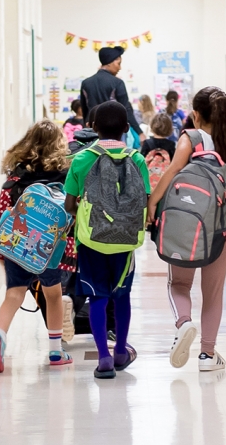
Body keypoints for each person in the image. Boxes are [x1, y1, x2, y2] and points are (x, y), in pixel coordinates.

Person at [147, 87, 226, 372]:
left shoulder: (191, 138)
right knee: (213, 292)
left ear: (195, 114)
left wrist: (152, 204)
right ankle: (207, 354)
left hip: (185, 227)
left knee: (179, 284)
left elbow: (171, 175)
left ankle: (184, 323)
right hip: (221, 229)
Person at [64, 101, 152, 379]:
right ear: (127, 128)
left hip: (91, 241)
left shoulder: (81, 159)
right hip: (125, 242)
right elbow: (145, 199)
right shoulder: (136, 159)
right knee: (122, 295)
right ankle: (121, 350)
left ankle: (103, 356)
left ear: (91, 127)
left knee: (98, 296)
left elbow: (69, 205)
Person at [0, 120, 74, 373]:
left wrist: (1, 250)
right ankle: (56, 351)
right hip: (48, 250)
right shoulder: (65, 177)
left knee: (14, 294)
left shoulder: (16, 178)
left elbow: (1, 213)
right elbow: (71, 217)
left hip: (16, 244)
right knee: (53, 295)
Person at [79, 46, 145, 142]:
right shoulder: (117, 83)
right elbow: (127, 110)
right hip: (112, 133)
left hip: (91, 132)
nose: (120, 67)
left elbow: (85, 111)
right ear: (110, 62)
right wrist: (140, 132)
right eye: (119, 63)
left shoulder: (86, 83)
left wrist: (85, 129)